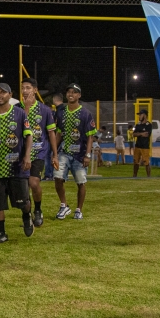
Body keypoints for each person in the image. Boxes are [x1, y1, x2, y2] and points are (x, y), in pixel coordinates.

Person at [0, 82, 33, 242]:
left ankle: (27, 215)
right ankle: (1, 234)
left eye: (3, 92)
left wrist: (27, 156)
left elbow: (28, 136)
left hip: (17, 167)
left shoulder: (20, 114)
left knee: (23, 202)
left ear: (10, 95)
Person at [19, 78, 58, 229]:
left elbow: (51, 133)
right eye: (23, 88)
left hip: (38, 152)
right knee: (23, 187)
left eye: (28, 88)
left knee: (34, 182)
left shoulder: (45, 110)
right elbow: (19, 128)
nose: (25, 91)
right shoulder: (17, 108)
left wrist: (55, 155)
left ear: (35, 90)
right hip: (21, 154)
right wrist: (26, 108)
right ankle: (27, 215)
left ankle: (38, 210)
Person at [53, 83, 96, 220]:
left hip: (80, 154)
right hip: (64, 152)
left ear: (79, 95)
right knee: (58, 177)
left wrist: (87, 155)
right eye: (69, 92)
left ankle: (78, 209)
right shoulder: (61, 112)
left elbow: (90, 136)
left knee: (81, 182)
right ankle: (64, 205)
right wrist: (54, 152)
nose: (71, 94)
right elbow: (59, 133)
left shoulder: (85, 113)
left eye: (74, 92)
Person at [132, 111, 154, 178]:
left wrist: (138, 133)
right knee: (136, 161)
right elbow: (134, 134)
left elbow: (146, 134)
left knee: (146, 162)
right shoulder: (138, 125)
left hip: (145, 146)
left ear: (144, 115)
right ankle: (134, 175)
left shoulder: (149, 125)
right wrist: (141, 133)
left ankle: (148, 176)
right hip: (137, 145)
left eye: (140, 115)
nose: (139, 116)